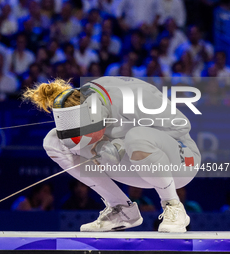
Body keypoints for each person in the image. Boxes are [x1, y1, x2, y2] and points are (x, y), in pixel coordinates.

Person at [22, 76, 201, 233]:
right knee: (53, 141)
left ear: (96, 118)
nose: (88, 144)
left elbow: (181, 127)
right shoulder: (82, 101)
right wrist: (105, 144)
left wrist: (120, 143)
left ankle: (174, 207)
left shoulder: (136, 97)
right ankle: (121, 209)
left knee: (136, 137)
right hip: (137, 167)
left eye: (87, 137)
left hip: (180, 162)